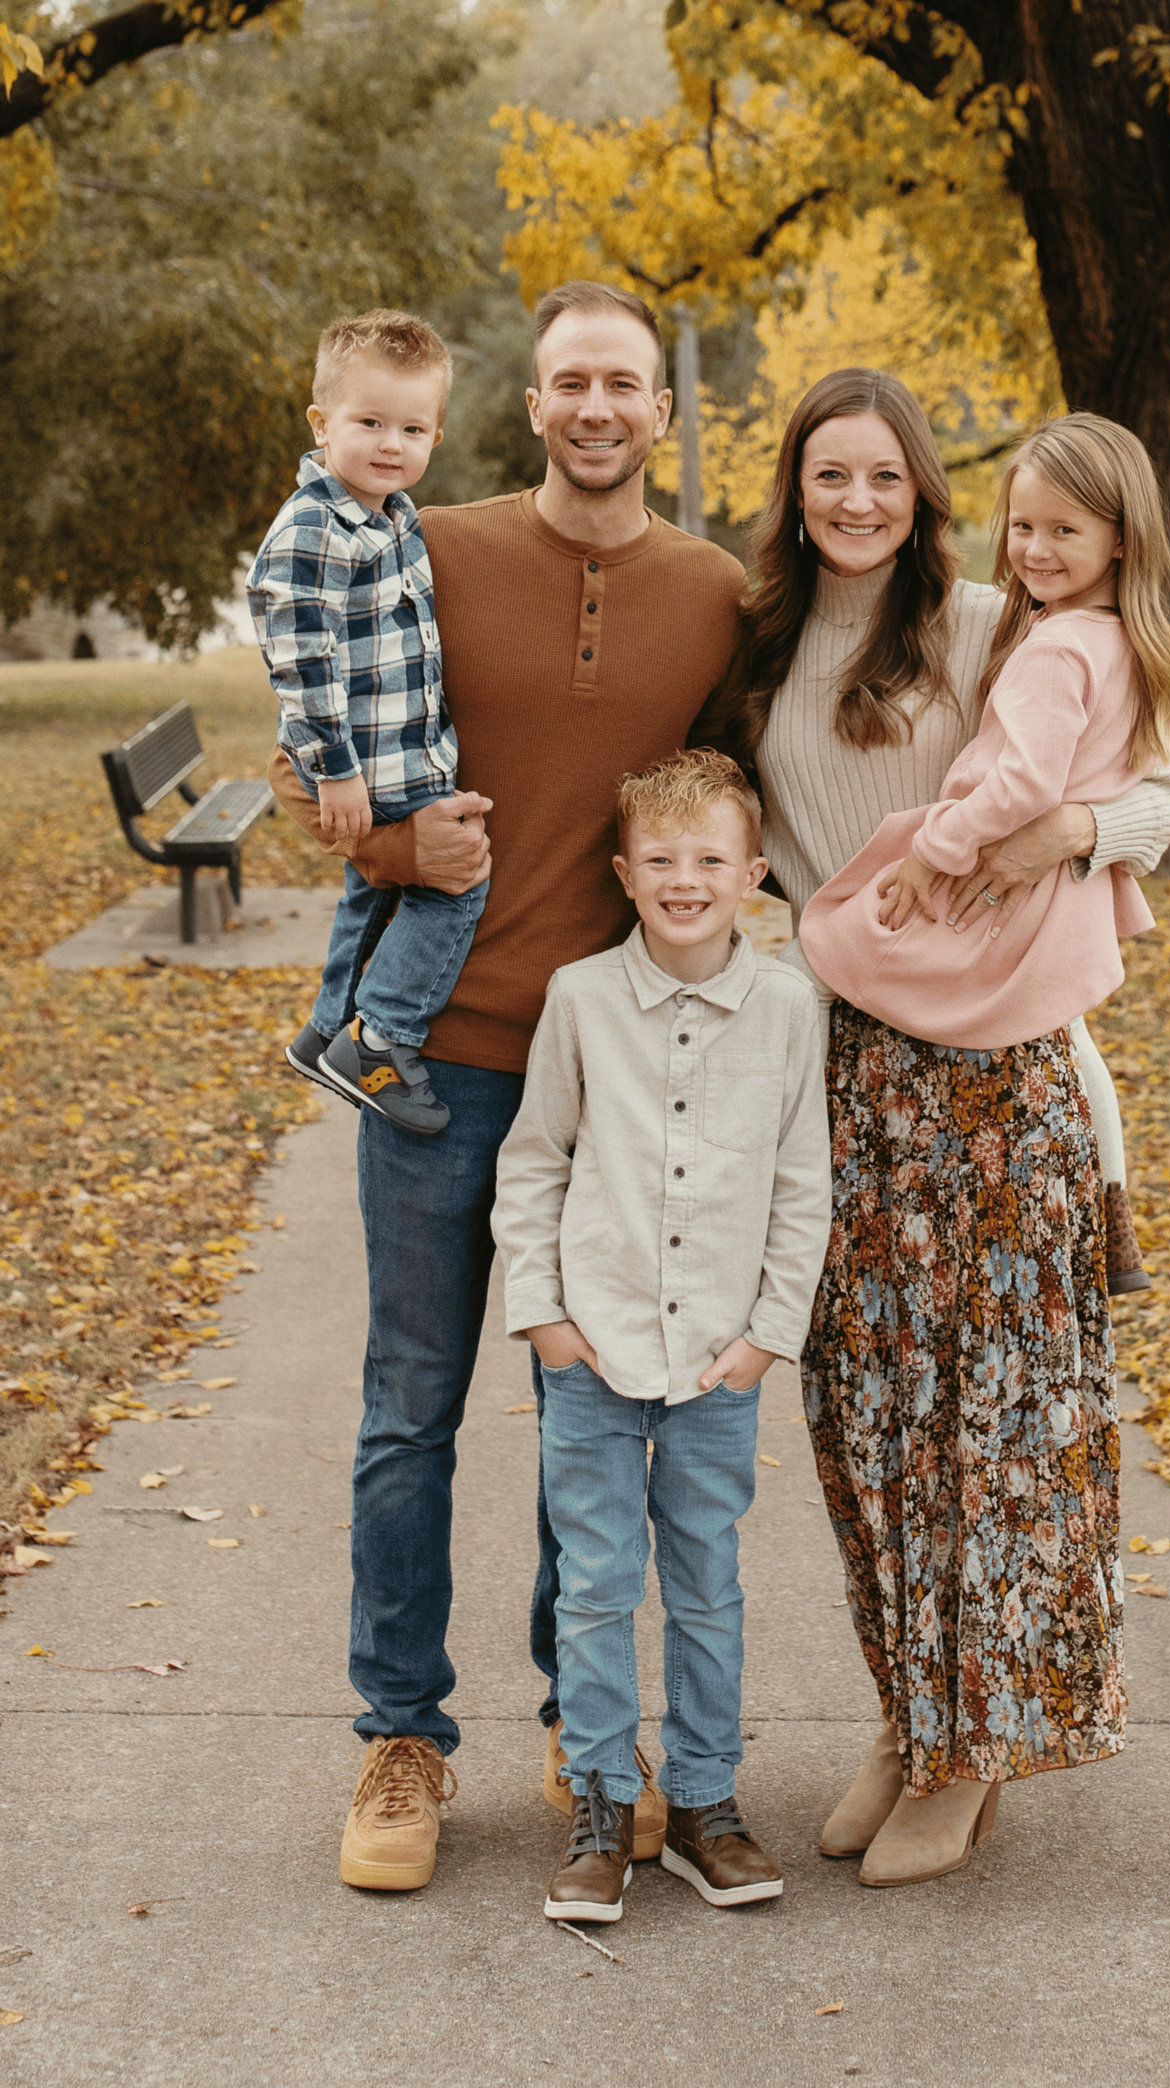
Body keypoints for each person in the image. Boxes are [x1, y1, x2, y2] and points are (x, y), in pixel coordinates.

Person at [265, 282, 748, 1891]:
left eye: (625, 382)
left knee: (582, 1419)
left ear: (659, 413)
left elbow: (754, 803)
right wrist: (398, 845)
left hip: (611, 1086)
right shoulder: (431, 544)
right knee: (411, 1407)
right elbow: (307, 751)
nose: (598, 406)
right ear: (532, 408)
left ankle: (580, 1719)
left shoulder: (715, 595)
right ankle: (402, 1737)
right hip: (437, 1066)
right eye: (569, 383)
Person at [732, 369, 1170, 1888]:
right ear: (794, 490)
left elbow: (1161, 791)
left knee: (990, 1424)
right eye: (828, 477)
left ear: (926, 492)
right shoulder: (752, 640)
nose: (856, 503)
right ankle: (908, 1712)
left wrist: (1076, 828)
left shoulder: (1005, 617)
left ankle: (975, 1745)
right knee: (868, 1426)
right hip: (841, 1070)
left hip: (993, 1083)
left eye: (884, 478)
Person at [492, 749, 831, 1923]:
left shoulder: (790, 1007)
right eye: (663, 860)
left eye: (710, 860)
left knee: (706, 1582)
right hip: (593, 1346)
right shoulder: (583, 998)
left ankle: (703, 1805)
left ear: (752, 874)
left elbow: (803, 1184)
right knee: (592, 1586)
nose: (686, 880)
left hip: (718, 1361)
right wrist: (541, 1315)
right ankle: (600, 1806)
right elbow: (535, 1157)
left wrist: (765, 1337)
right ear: (626, 873)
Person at [798, 411, 1170, 1068]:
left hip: (992, 879)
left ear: (1120, 540)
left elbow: (1035, 782)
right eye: (1024, 526)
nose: (1036, 549)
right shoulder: (1117, 640)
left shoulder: (1053, 650)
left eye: (1065, 530)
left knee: (824, 955)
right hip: (1051, 908)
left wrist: (934, 847)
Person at [248, 309, 487, 1136]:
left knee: (370, 900)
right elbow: (302, 666)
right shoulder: (313, 529)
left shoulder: (395, 517)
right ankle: (380, 1037)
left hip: (404, 756)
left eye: (412, 427)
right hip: (370, 767)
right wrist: (336, 771)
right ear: (322, 424)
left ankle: (324, 1030)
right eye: (370, 422)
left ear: (436, 435)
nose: (392, 443)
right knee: (455, 884)